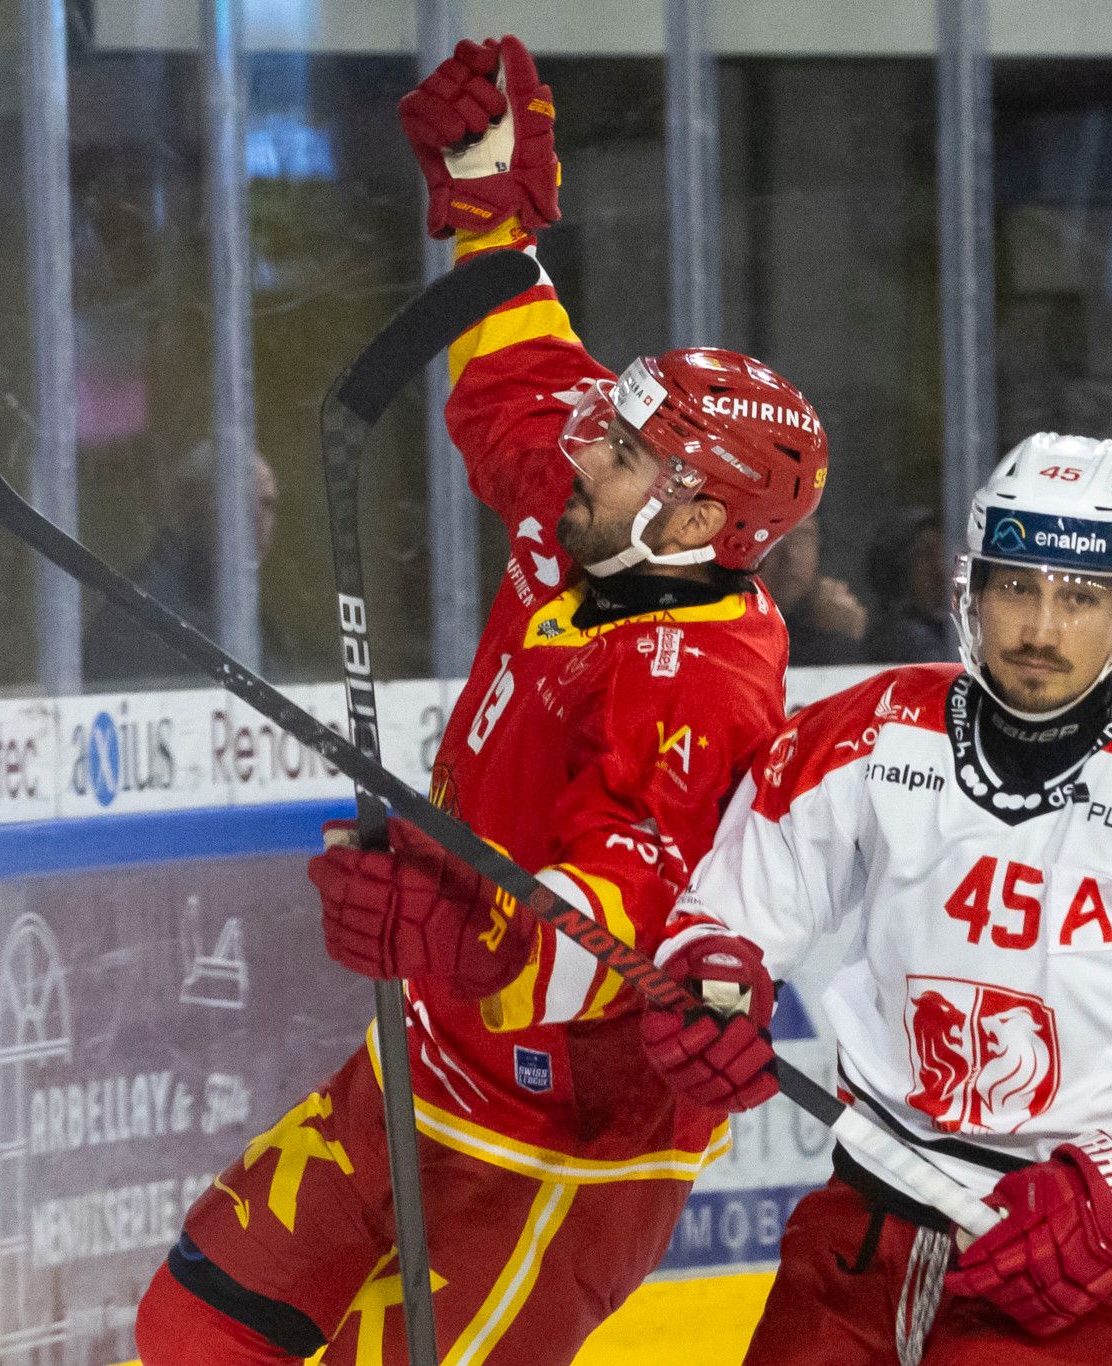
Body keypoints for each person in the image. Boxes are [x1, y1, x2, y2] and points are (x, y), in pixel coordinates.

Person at [135, 35, 830, 1366]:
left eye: (621, 449)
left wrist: (458, 929)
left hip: (565, 1142)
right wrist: (487, 204)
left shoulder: (704, 686)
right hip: (424, 1061)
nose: (582, 444)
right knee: (195, 1330)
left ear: (696, 514)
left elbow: (617, 918)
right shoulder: (592, 516)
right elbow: (520, 375)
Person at [640, 432, 1112, 1364]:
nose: (1041, 629)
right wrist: (712, 990)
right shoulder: (871, 732)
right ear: (970, 588)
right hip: (862, 1237)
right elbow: (732, 913)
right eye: (1017, 586)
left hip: (1082, 1272)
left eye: (1080, 596)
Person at [84, 439, 285, 684]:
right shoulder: (142, 612)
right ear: (190, 504)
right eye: (241, 501)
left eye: (267, 504)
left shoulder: (250, 621)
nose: (259, 520)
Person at [763, 513, 867, 665]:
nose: (791, 555)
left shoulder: (830, 612)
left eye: (802, 538)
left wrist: (842, 634)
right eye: (774, 539)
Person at [862, 505, 960, 663]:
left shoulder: (949, 627)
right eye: (926, 555)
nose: (940, 568)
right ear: (897, 568)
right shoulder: (906, 638)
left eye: (942, 553)